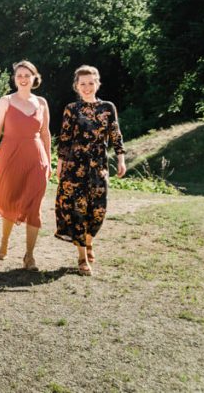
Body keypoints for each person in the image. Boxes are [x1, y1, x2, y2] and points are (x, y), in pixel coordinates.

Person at [0, 61, 51, 271]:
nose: (23, 78)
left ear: (35, 77)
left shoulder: (42, 103)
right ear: (15, 78)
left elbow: (45, 133)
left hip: (37, 158)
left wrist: (49, 159)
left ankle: (29, 256)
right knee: (9, 202)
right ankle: (5, 241)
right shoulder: (6, 101)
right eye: (19, 75)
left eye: (27, 74)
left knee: (34, 207)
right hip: (10, 156)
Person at [55, 65, 126, 276]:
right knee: (78, 210)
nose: (87, 87)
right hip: (74, 167)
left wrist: (121, 159)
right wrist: (59, 167)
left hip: (99, 167)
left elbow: (115, 135)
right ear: (76, 86)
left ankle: (88, 241)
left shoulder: (107, 107)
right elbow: (65, 139)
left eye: (90, 83)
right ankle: (82, 257)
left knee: (98, 212)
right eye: (82, 83)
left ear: (97, 84)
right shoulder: (71, 109)